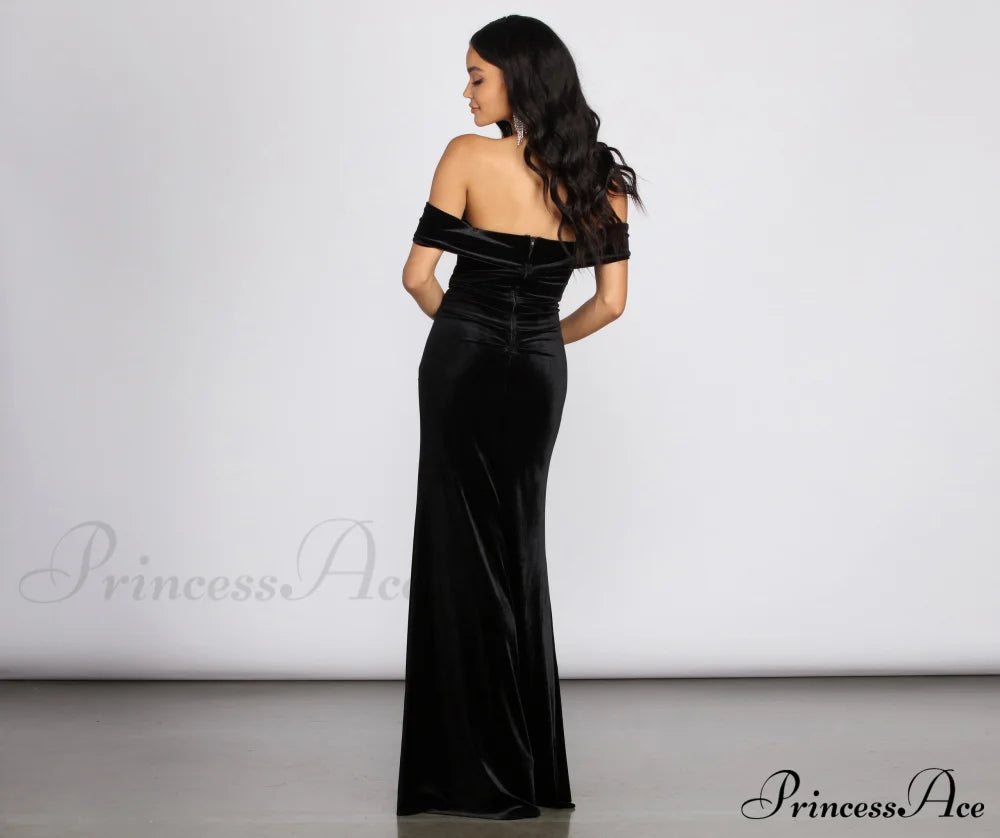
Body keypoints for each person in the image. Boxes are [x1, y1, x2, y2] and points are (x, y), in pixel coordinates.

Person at [396, 14, 643, 820]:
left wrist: (470, 334)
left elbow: (418, 277)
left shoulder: (467, 157)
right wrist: (535, 340)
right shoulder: (599, 177)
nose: (466, 91)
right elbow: (610, 305)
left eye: (477, 75)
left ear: (518, 77)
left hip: (461, 363)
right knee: (518, 544)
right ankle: (529, 769)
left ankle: (467, 771)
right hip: (539, 373)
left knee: (457, 547)